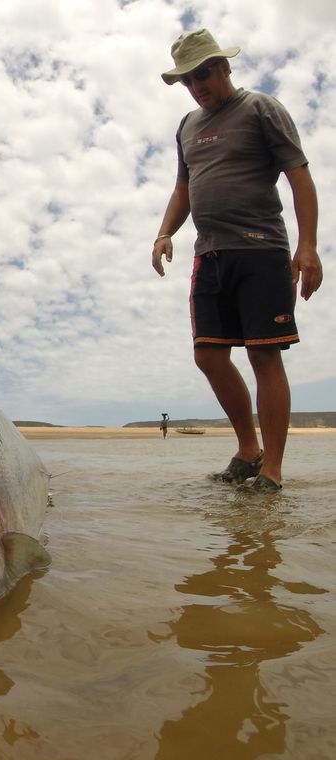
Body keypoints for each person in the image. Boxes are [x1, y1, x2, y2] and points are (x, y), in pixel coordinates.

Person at [152, 29, 323, 492]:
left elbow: (299, 178)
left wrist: (306, 247)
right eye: (188, 79)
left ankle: (272, 471)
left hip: (261, 249)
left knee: (263, 354)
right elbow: (184, 188)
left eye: (203, 73)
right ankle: (249, 451)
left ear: (224, 66)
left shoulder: (261, 109)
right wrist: (165, 232)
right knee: (208, 354)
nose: (197, 84)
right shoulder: (186, 126)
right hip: (209, 254)